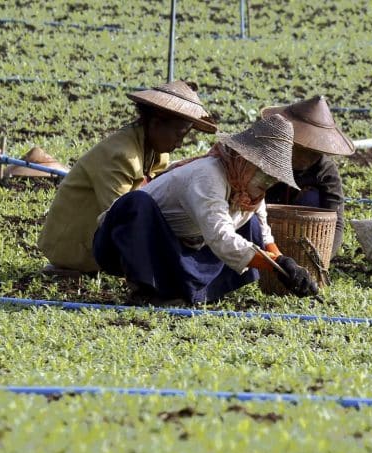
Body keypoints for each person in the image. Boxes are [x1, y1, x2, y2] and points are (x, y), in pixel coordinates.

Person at [92, 115, 318, 304]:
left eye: (273, 178)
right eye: (262, 171)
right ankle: (145, 290)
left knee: (251, 226)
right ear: (243, 159)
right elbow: (221, 237)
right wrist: (276, 265)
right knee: (136, 203)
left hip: (183, 245)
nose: (266, 182)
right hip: (127, 244)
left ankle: (187, 293)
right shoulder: (208, 175)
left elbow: (264, 235)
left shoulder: (250, 194)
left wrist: (287, 266)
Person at [37, 81, 217, 275]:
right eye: (179, 135)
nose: (180, 143)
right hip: (74, 248)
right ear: (156, 123)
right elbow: (120, 215)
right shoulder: (121, 155)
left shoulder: (157, 153)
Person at [261, 96, 355, 257]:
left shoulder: (325, 170)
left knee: (311, 198)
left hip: (303, 235)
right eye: (302, 150)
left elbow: (336, 221)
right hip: (264, 220)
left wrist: (323, 257)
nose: (306, 158)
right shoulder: (268, 156)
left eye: (314, 153)